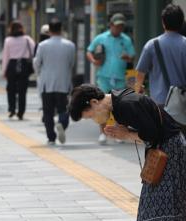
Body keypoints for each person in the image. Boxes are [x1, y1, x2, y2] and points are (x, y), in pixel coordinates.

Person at [68, 84, 186, 221]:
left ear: (95, 102)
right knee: (152, 203)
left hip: (169, 150)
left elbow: (152, 133)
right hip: (163, 150)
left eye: (90, 116)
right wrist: (126, 133)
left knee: (161, 204)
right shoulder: (120, 103)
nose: (94, 121)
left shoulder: (125, 104)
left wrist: (126, 134)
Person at [86, 13, 135, 144]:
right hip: (104, 77)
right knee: (101, 106)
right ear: (111, 25)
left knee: (119, 107)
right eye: (117, 26)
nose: (119, 29)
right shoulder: (101, 38)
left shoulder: (126, 39)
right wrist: (94, 61)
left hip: (119, 78)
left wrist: (128, 57)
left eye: (121, 26)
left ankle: (119, 133)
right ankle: (102, 133)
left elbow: (132, 55)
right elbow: (89, 50)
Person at [135, 4, 186, 106]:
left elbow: (140, 74)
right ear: (182, 22)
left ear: (163, 22)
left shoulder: (152, 45)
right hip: (183, 104)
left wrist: (138, 90)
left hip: (159, 104)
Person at [34, 20, 75, 145]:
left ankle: (51, 138)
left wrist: (40, 73)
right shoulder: (70, 45)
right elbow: (71, 64)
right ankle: (62, 123)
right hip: (63, 83)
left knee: (48, 112)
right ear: (61, 29)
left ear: (49, 30)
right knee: (63, 109)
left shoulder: (43, 45)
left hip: (47, 84)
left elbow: (37, 63)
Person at [2, 20, 35, 120]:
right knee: (22, 90)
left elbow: (5, 57)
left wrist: (4, 71)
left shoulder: (8, 40)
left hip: (12, 65)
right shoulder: (27, 39)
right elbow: (34, 51)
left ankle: (12, 109)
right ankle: (21, 112)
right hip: (24, 65)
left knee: (10, 89)